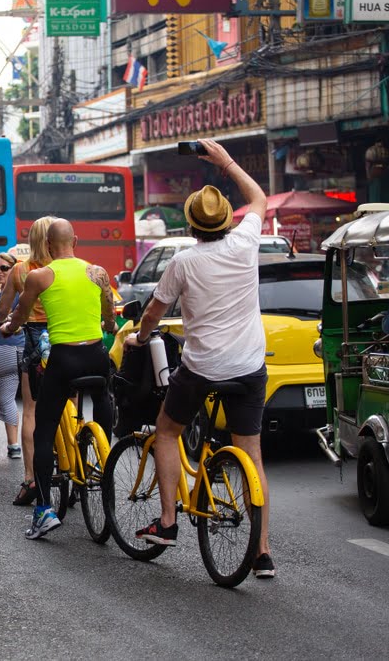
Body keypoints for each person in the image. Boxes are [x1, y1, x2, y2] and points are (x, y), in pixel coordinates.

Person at [123, 138, 274, 578]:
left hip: (202, 368)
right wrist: (225, 161)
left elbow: (154, 310)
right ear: (227, 221)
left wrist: (140, 336)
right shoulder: (246, 243)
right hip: (249, 367)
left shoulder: (184, 262)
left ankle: (168, 523)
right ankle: (261, 552)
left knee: (168, 431)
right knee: (253, 454)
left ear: (190, 226)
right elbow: (259, 198)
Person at [1, 219, 116, 540]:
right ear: (75, 241)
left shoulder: (40, 276)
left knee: (44, 428)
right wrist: (108, 325)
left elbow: (18, 318)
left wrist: (7, 329)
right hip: (96, 357)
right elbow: (110, 318)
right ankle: (101, 457)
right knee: (102, 401)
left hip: (63, 359)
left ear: (48, 246)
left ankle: (44, 509)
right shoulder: (98, 273)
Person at [0, 216, 57, 505]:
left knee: (31, 411)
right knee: (66, 405)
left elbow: (3, 309)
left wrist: (1, 321)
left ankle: (31, 477)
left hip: (33, 341)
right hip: (68, 340)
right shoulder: (68, 268)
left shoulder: (21, 271)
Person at [0, 253, 23, 460]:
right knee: (7, 397)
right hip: (16, 350)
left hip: (3, 348)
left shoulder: (10, 293)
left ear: (14, 269)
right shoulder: (18, 290)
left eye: (4, 268)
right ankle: (14, 446)